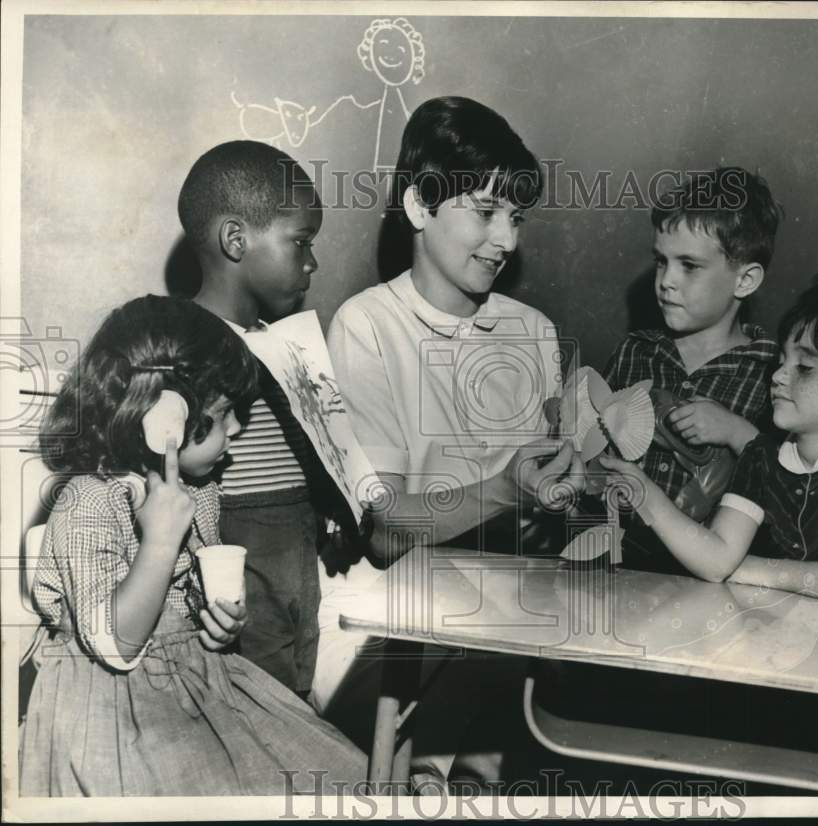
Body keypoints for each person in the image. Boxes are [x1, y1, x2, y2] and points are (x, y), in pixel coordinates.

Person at [316, 96, 585, 790]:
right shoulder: (365, 327)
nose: (507, 240)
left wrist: (577, 481)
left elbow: (542, 532)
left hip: (510, 633)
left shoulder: (534, 332)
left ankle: (456, 771)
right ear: (418, 207)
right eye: (485, 210)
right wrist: (506, 487)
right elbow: (384, 531)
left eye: (516, 218)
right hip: (402, 632)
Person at [20, 296, 366, 796]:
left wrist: (220, 621)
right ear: (161, 416)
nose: (237, 429)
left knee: (339, 779)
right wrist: (159, 541)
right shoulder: (87, 503)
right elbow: (114, 647)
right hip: (108, 706)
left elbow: (189, 599)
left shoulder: (199, 493)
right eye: (225, 413)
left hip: (199, 678)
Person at [602, 271, 818, 607]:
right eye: (782, 360)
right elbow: (716, 561)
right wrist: (646, 494)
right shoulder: (760, 457)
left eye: (805, 367)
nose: (779, 375)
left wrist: (755, 569)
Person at [178, 139, 342, 697]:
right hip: (236, 535)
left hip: (297, 534)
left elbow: (311, 447)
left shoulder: (285, 342)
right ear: (235, 239)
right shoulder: (182, 338)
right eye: (301, 242)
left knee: (300, 678)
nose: (313, 262)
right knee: (258, 692)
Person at [601, 167, 782, 571]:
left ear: (745, 280)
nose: (667, 281)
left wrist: (737, 432)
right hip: (615, 568)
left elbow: (789, 488)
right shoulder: (635, 353)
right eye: (661, 262)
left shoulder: (774, 373)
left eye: (690, 266)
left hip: (711, 585)